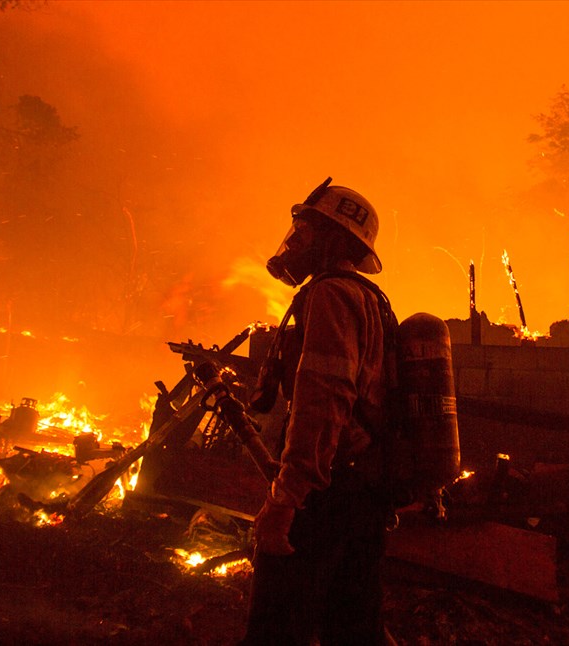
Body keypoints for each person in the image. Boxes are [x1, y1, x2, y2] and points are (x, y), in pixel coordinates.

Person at [241, 178, 395, 645]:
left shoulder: (330, 295)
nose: (293, 243)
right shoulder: (371, 300)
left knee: (277, 626)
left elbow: (323, 402)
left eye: (306, 233)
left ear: (334, 238)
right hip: (363, 493)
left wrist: (287, 499)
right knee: (352, 627)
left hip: (325, 494)